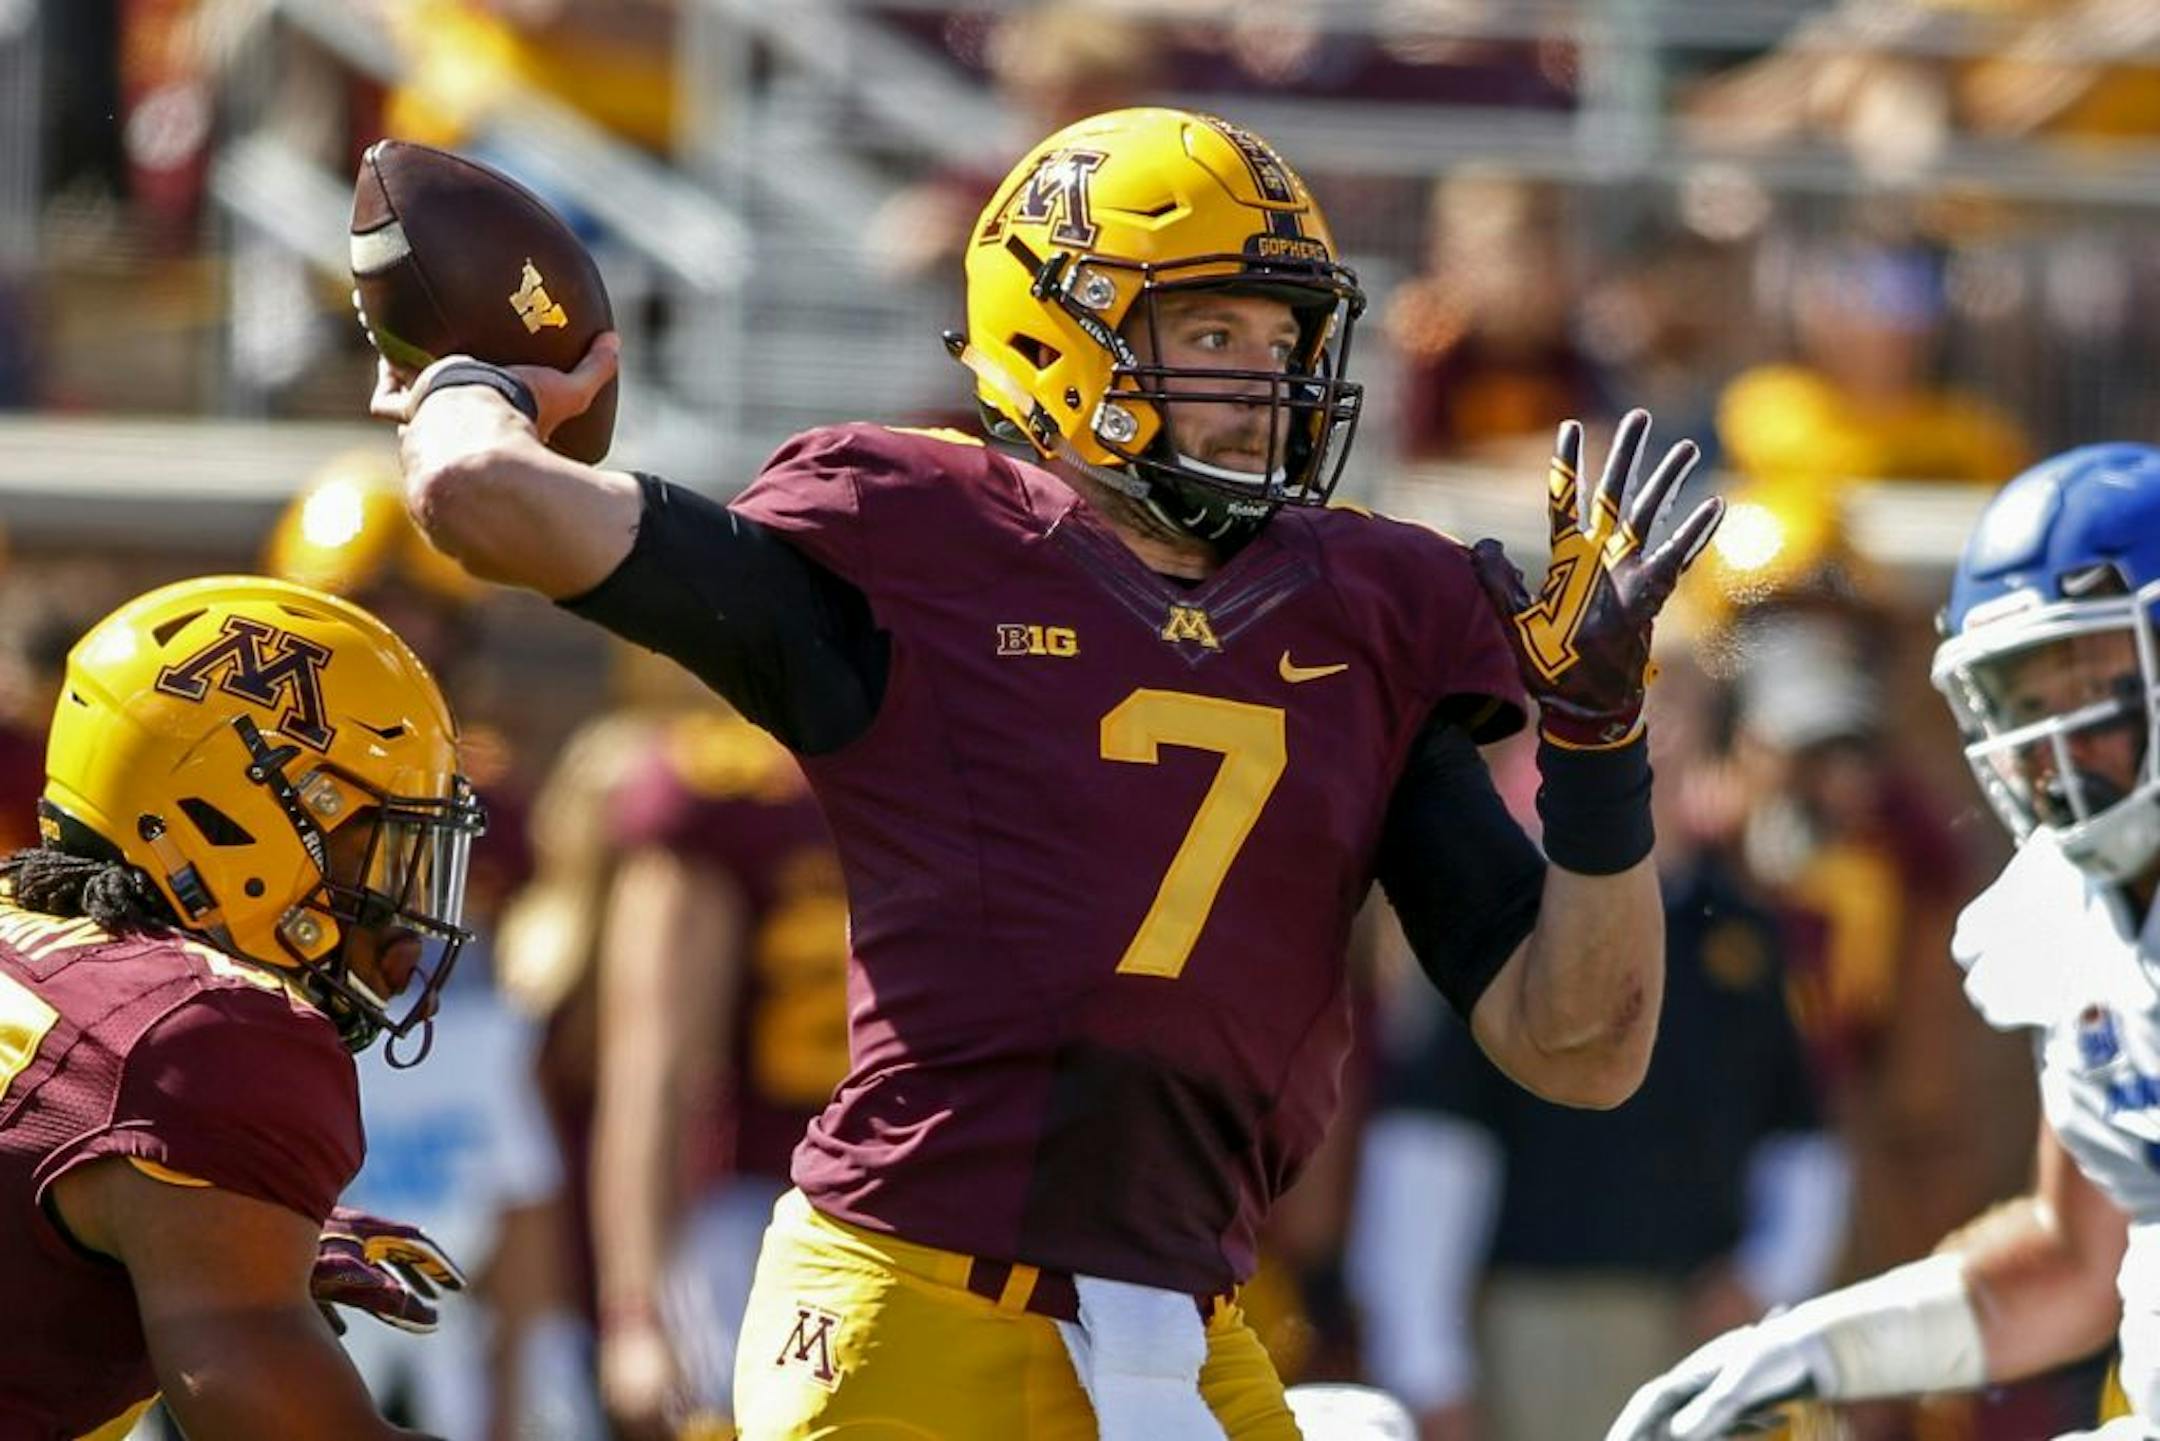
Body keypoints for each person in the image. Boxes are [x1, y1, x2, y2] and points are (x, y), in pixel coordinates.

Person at [369, 106, 1723, 1438]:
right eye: (1207, 333)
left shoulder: (1367, 612)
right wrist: (467, 386)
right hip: (915, 1313)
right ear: (1053, 341)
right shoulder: (925, 546)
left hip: (1192, 1328)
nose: (1265, 385)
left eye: (1283, 338)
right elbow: (488, 500)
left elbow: (1581, 1044)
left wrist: (1600, 750)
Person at [1606, 442, 2160, 1441]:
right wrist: (1814, 1347)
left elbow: (1933, 1123)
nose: (2057, 746)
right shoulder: (2078, 909)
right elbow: (2078, 1257)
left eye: (2090, 684)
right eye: (2026, 699)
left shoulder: (1921, 870)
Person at [0, 574, 482, 1439]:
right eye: (375, 856)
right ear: (242, 822)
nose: (404, 929)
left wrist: (212, 1227)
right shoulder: (212, 1037)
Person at [590, 705, 851, 1439]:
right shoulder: (725, 785)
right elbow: (654, 1064)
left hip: (921, 1218)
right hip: (755, 1222)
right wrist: (635, 1309)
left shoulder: (949, 759)